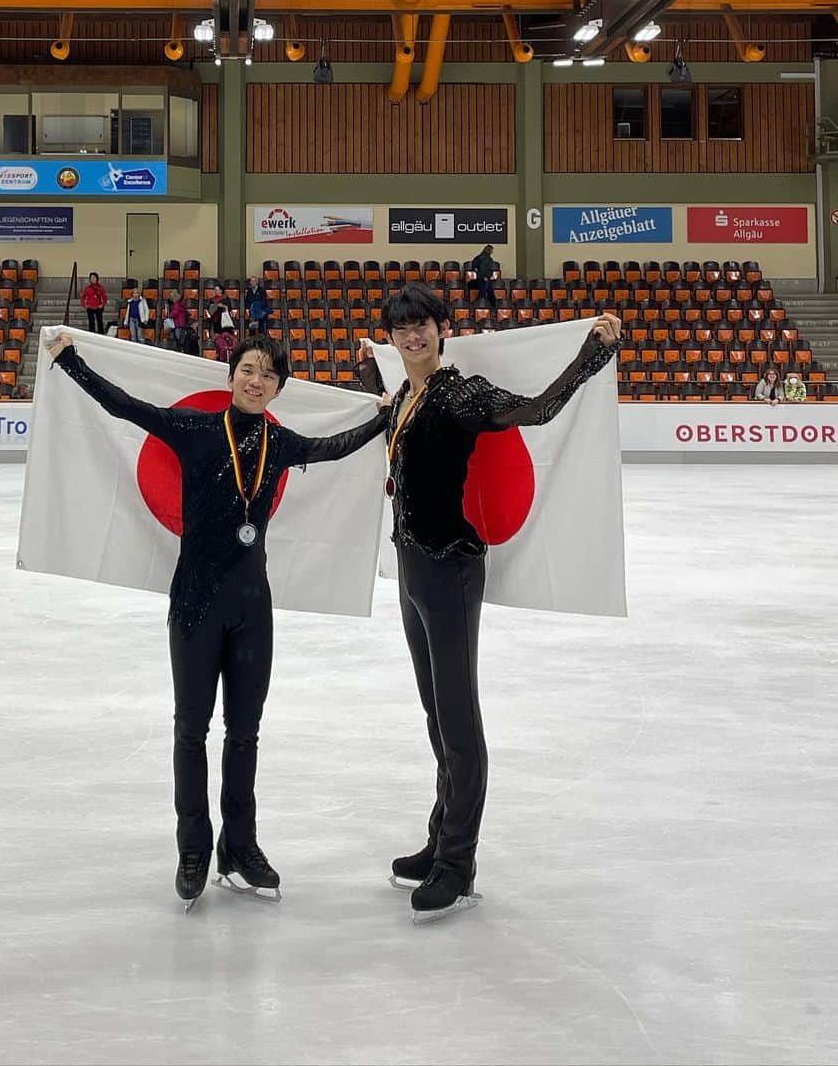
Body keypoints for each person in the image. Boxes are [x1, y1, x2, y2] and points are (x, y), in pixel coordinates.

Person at [45, 331, 391, 911]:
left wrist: (381, 413)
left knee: (245, 734)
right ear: (232, 375)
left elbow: (334, 447)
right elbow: (123, 405)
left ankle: (241, 846)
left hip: (253, 608)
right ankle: (193, 848)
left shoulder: (278, 442)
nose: (257, 381)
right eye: (249, 370)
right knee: (190, 730)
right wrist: (70, 360)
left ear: (279, 387)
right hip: (195, 605)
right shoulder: (197, 430)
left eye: (269, 376)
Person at [356, 283, 621, 925]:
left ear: (442, 330)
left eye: (420, 325)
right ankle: (441, 834)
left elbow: (535, 409)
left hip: (450, 568)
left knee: (458, 714)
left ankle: (457, 863)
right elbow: (387, 423)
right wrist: (370, 367)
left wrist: (592, 352)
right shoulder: (407, 398)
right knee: (433, 711)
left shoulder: (461, 393)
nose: (410, 336)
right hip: (412, 568)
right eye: (400, 329)